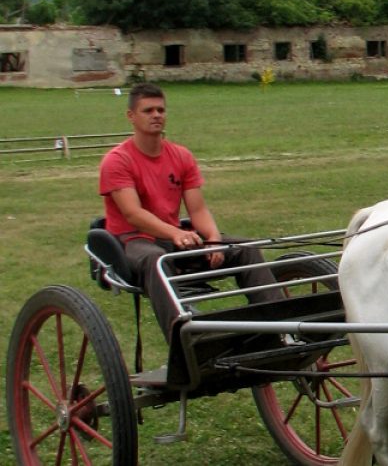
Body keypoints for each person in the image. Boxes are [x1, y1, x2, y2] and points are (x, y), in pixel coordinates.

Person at [98, 83, 281, 343]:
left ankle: (279, 324)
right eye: (148, 110)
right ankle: (187, 341)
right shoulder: (117, 161)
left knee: (245, 248)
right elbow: (133, 214)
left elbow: (198, 208)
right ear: (131, 116)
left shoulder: (181, 156)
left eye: (160, 109)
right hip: (133, 240)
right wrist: (175, 233)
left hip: (172, 237)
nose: (156, 115)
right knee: (156, 261)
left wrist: (214, 239)